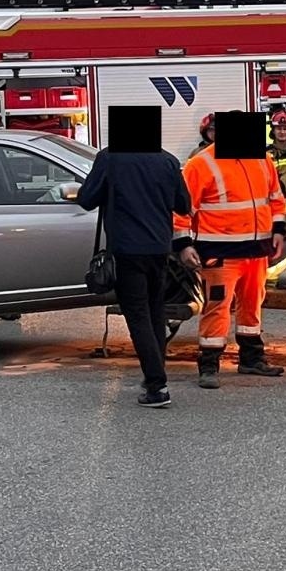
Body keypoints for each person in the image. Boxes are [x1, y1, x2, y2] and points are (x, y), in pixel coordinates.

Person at [173, 117, 286, 387]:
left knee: (252, 305)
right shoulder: (201, 164)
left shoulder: (261, 160)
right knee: (217, 307)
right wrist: (183, 245)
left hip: (256, 251)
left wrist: (279, 230)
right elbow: (181, 208)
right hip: (220, 252)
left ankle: (251, 358)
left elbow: (275, 198)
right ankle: (209, 365)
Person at [77, 144, 194, 408]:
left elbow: (86, 199)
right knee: (154, 312)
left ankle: (157, 385)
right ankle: (155, 376)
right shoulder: (167, 160)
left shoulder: (109, 158)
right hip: (159, 250)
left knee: (138, 315)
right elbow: (183, 204)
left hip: (128, 250)